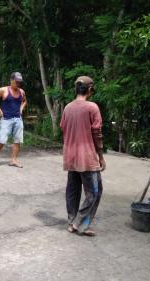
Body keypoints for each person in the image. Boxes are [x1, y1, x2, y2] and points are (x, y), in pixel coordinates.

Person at [60, 76, 106, 236]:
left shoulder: (67, 108)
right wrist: (100, 156)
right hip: (86, 157)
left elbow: (64, 129)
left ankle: (72, 220)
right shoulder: (92, 107)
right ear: (90, 89)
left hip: (70, 155)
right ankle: (79, 223)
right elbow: (97, 133)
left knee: (72, 190)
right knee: (94, 191)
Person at [0, 72, 27, 167]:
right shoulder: (3, 90)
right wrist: (0, 111)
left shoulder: (21, 92)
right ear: (11, 80)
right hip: (6, 119)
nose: (18, 84)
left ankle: (13, 160)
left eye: (19, 82)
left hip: (18, 119)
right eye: (16, 82)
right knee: (2, 140)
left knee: (17, 140)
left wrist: (21, 109)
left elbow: (25, 101)